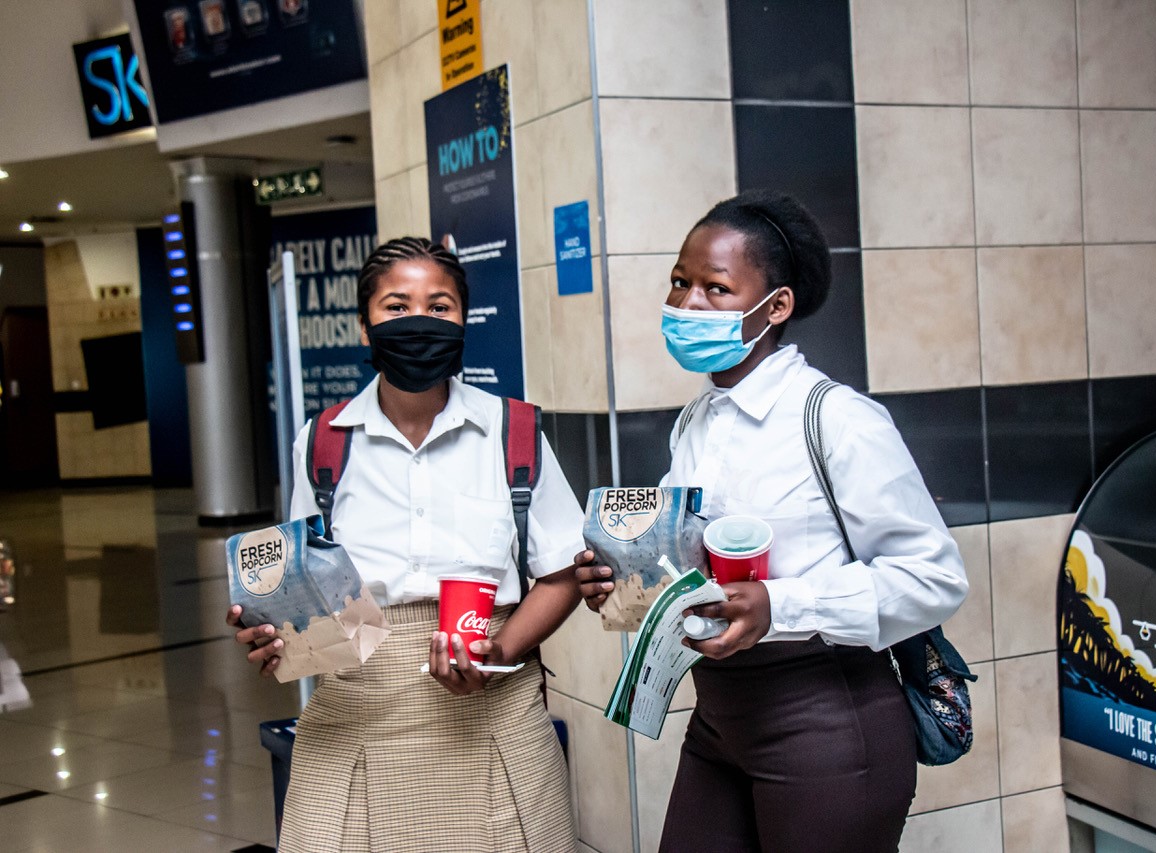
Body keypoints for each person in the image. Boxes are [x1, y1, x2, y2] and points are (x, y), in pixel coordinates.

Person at [576, 190, 969, 852]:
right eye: (679, 282)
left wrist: (778, 605)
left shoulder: (837, 420)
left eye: (715, 288)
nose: (687, 304)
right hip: (720, 716)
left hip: (826, 722)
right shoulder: (698, 419)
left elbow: (936, 579)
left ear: (776, 306)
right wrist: (623, 578)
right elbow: (691, 560)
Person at [227, 237, 583, 853]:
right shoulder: (323, 442)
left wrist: (500, 650)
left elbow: (562, 573)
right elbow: (311, 590)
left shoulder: (513, 431)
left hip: (494, 715)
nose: (419, 321)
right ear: (364, 326)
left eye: (439, 307)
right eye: (397, 306)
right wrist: (279, 634)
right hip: (355, 717)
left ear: (464, 321)